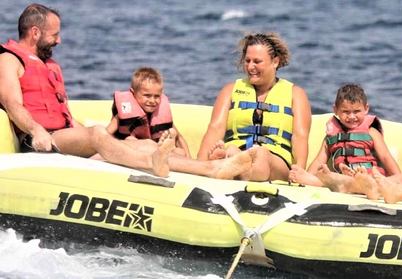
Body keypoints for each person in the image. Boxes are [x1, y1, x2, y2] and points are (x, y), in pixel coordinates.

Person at [0, 3, 173, 177]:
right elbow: (11, 103)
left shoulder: (50, 67)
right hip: (39, 140)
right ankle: (151, 163)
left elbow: (64, 115)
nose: (58, 40)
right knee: (97, 133)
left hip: (63, 137)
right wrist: (36, 131)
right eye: (55, 35)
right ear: (35, 33)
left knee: (144, 145)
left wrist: (101, 139)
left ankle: (197, 169)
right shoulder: (9, 60)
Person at [196, 32, 312, 181]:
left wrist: (299, 173)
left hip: (275, 161)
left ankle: (236, 164)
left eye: (257, 61)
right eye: (247, 61)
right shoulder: (230, 90)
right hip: (238, 151)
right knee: (233, 153)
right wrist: (200, 164)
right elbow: (215, 128)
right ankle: (237, 162)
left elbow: (300, 136)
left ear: (275, 62)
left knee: (262, 155)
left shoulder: (296, 94)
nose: (251, 67)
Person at [288, 83, 401, 187]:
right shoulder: (331, 136)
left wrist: (400, 180)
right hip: (343, 178)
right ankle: (320, 180)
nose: (351, 116)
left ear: (366, 109)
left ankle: (360, 181)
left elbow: (386, 157)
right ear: (335, 110)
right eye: (346, 112)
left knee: (338, 180)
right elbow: (319, 161)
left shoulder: (371, 132)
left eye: (356, 111)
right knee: (327, 176)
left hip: (370, 176)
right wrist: (308, 175)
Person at [106, 67, 190, 157]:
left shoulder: (160, 114)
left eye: (157, 96)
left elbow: (179, 138)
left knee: (180, 152)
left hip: (154, 150)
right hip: (130, 150)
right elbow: (105, 135)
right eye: (147, 96)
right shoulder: (122, 115)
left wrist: (190, 159)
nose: (152, 101)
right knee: (130, 139)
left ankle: (162, 155)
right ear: (133, 93)